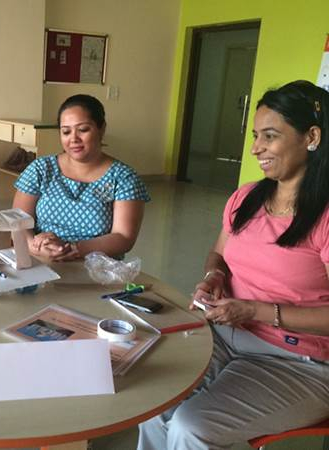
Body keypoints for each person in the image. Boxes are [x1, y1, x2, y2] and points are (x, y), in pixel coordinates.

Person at [137, 80, 329, 450]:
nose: (256, 148)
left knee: (192, 427)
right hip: (223, 339)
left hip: (298, 359)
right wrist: (214, 277)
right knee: (156, 407)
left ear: (312, 137)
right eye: (256, 135)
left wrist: (256, 310)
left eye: (269, 136)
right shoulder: (247, 198)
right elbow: (219, 253)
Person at [12, 94, 149, 262]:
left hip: (96, 269)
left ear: (102, 128)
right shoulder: (41, 169)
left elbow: (123, 237)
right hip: (40, 261)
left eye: (83, 129)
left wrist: (72, 248)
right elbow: (18, 220)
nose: (73, 139)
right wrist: (34, 245)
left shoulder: (123, 178)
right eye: (66, 131)